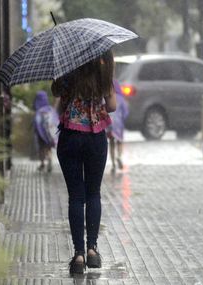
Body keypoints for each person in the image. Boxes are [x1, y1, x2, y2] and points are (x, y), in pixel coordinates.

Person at [52, 50, 116, 275]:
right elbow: (113, 106)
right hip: (95, 137)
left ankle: (78, 254)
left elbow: (58, 102)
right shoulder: (102, 73)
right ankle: (92, 250)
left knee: (76, 197)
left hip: (70, 137)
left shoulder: (67, 73)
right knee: (93, 194)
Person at [107, 79, 129, 174]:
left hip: (109, 124)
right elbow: (125, 112)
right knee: (119, 142)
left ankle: (113, 164)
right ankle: (119, 157)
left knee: (111, 143)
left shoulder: (108, 97)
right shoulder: (121, 99)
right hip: (118, 124)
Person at [33, 90, 59, 172]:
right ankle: (50, 159)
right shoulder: (50, 109)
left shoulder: (39, 111)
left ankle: (42, 163)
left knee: (41, 148)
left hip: (40, 134)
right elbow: (55, 121)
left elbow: (36, 123)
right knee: (48, 148)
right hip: (49, 135)